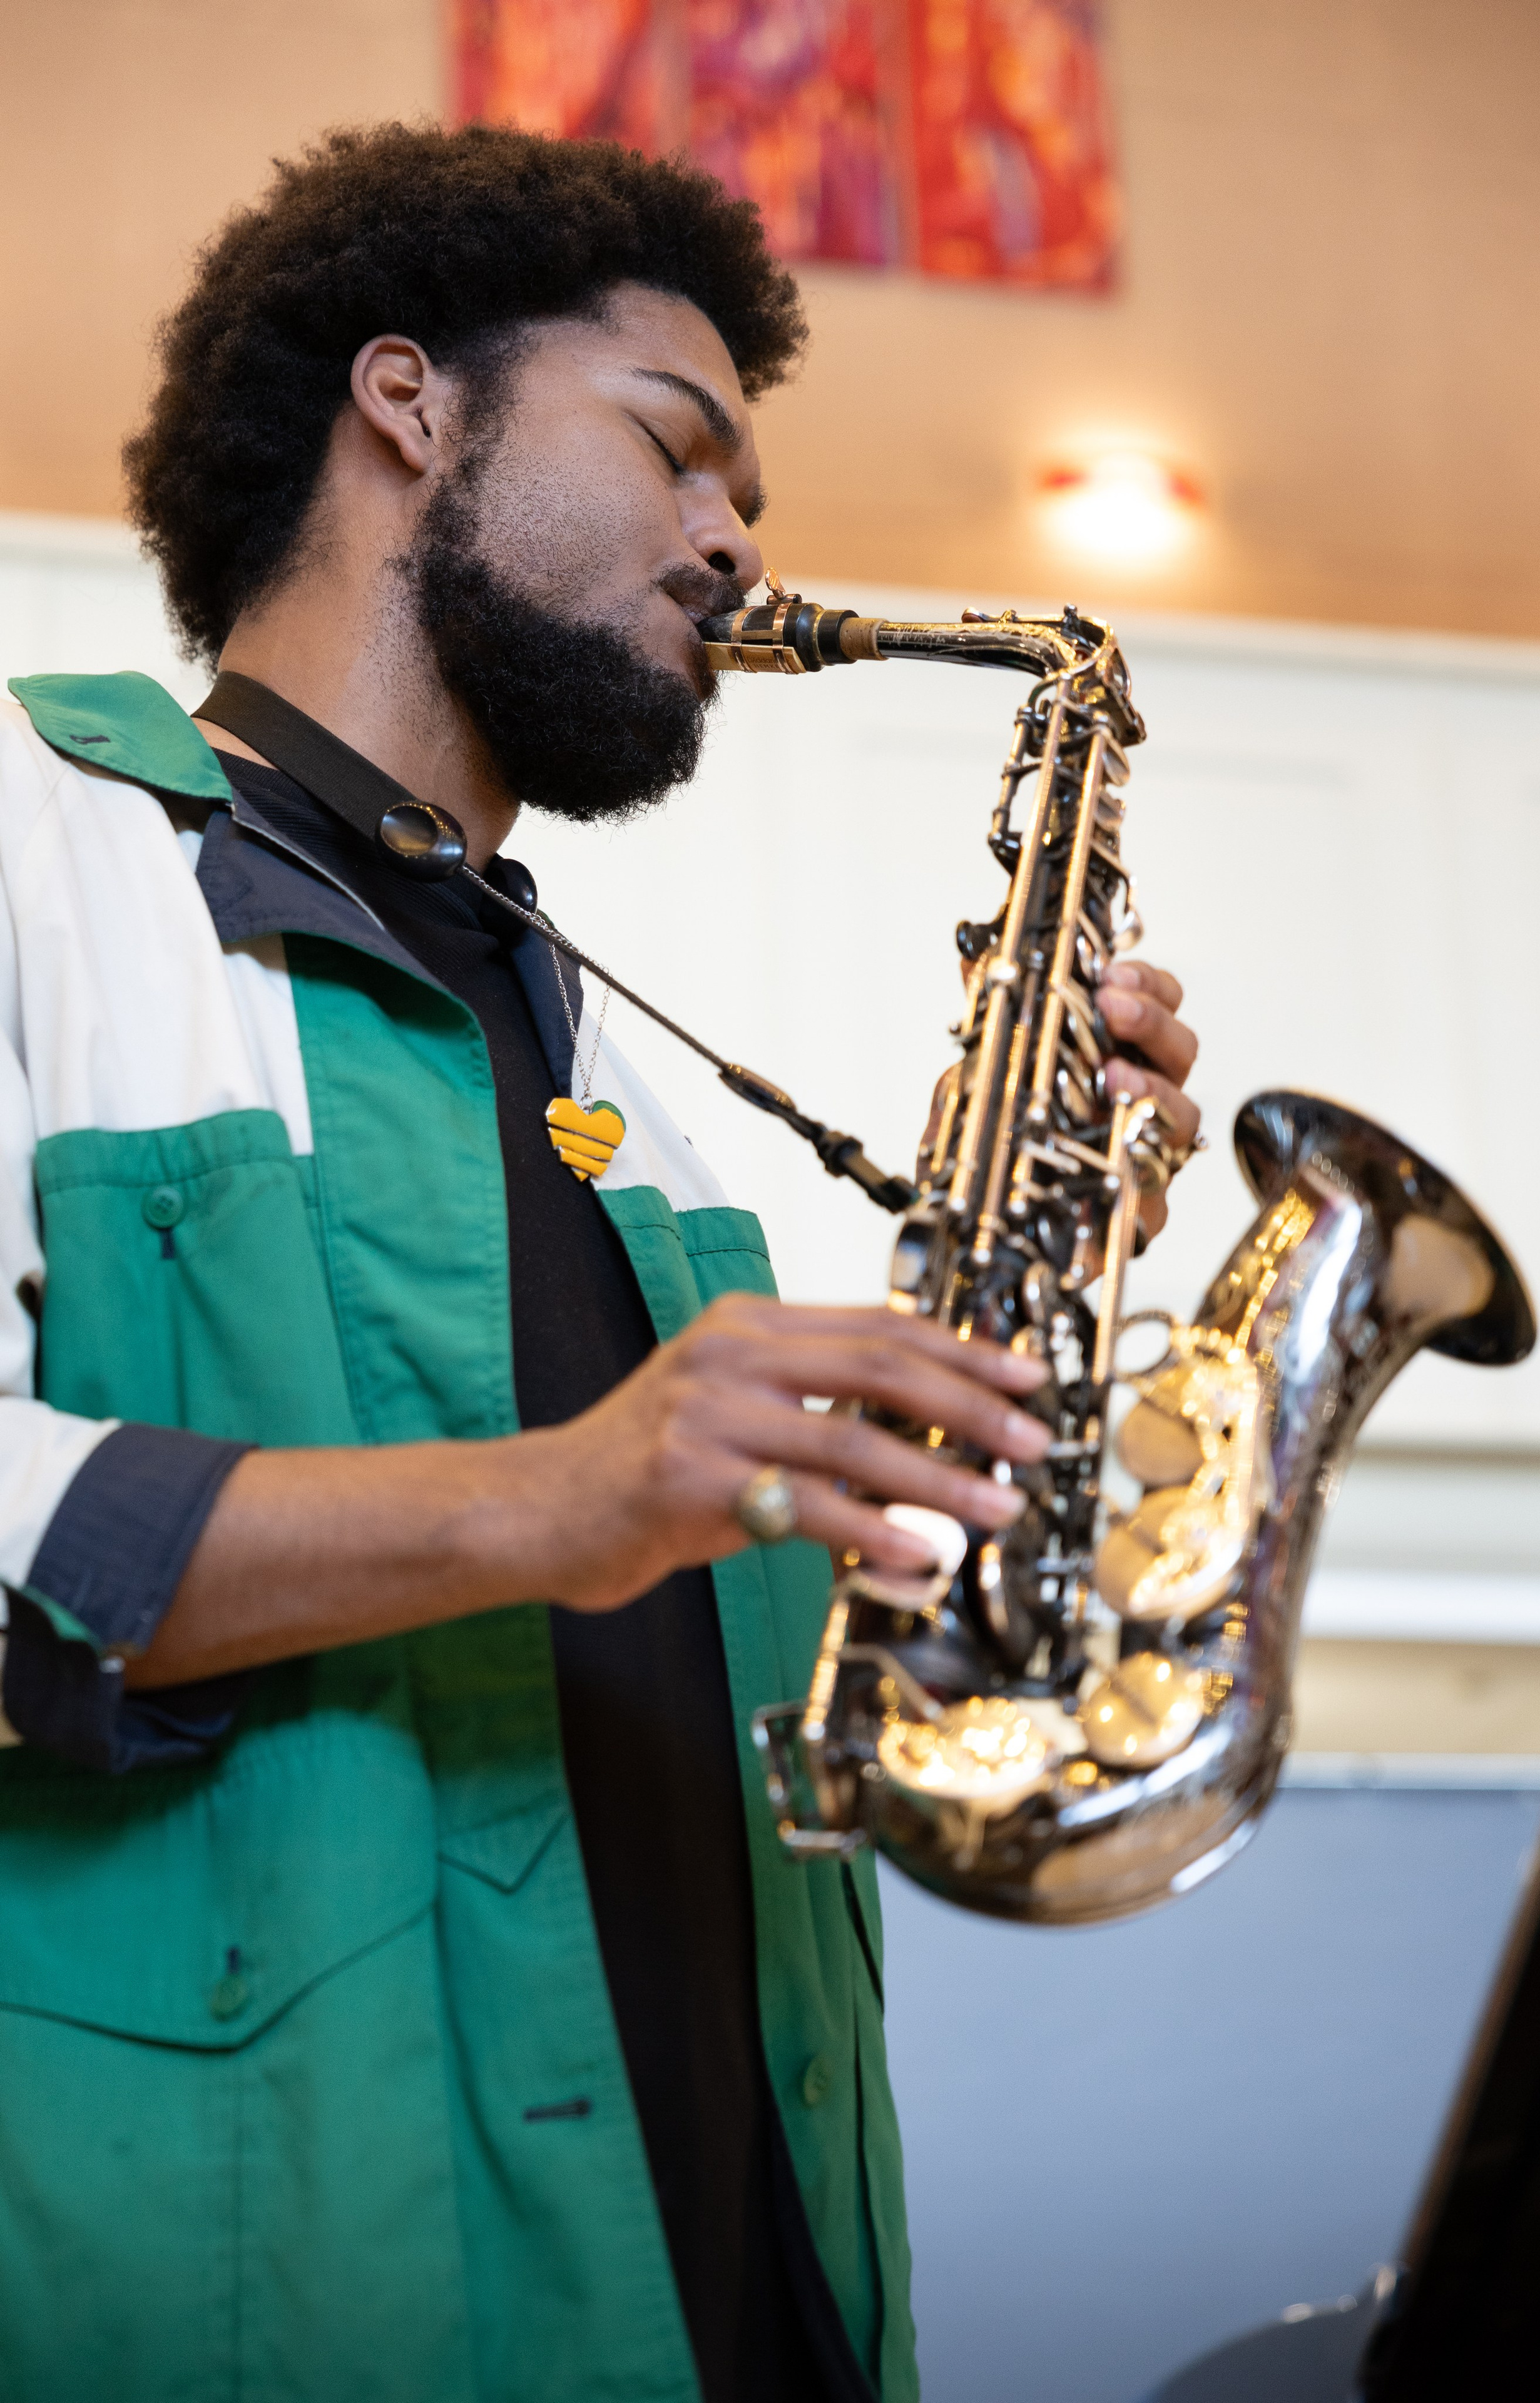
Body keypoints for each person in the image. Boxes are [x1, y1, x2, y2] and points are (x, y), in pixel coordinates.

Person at [0, 124, 1201, 2403]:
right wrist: (567, 1493)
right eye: (675, 446)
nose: (738, 537)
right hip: (273, 2292)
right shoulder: (32, 848)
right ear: (409, 402)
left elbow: (816, 1666)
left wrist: (1044, 1324)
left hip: (765, 2284)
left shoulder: (623, 1080)